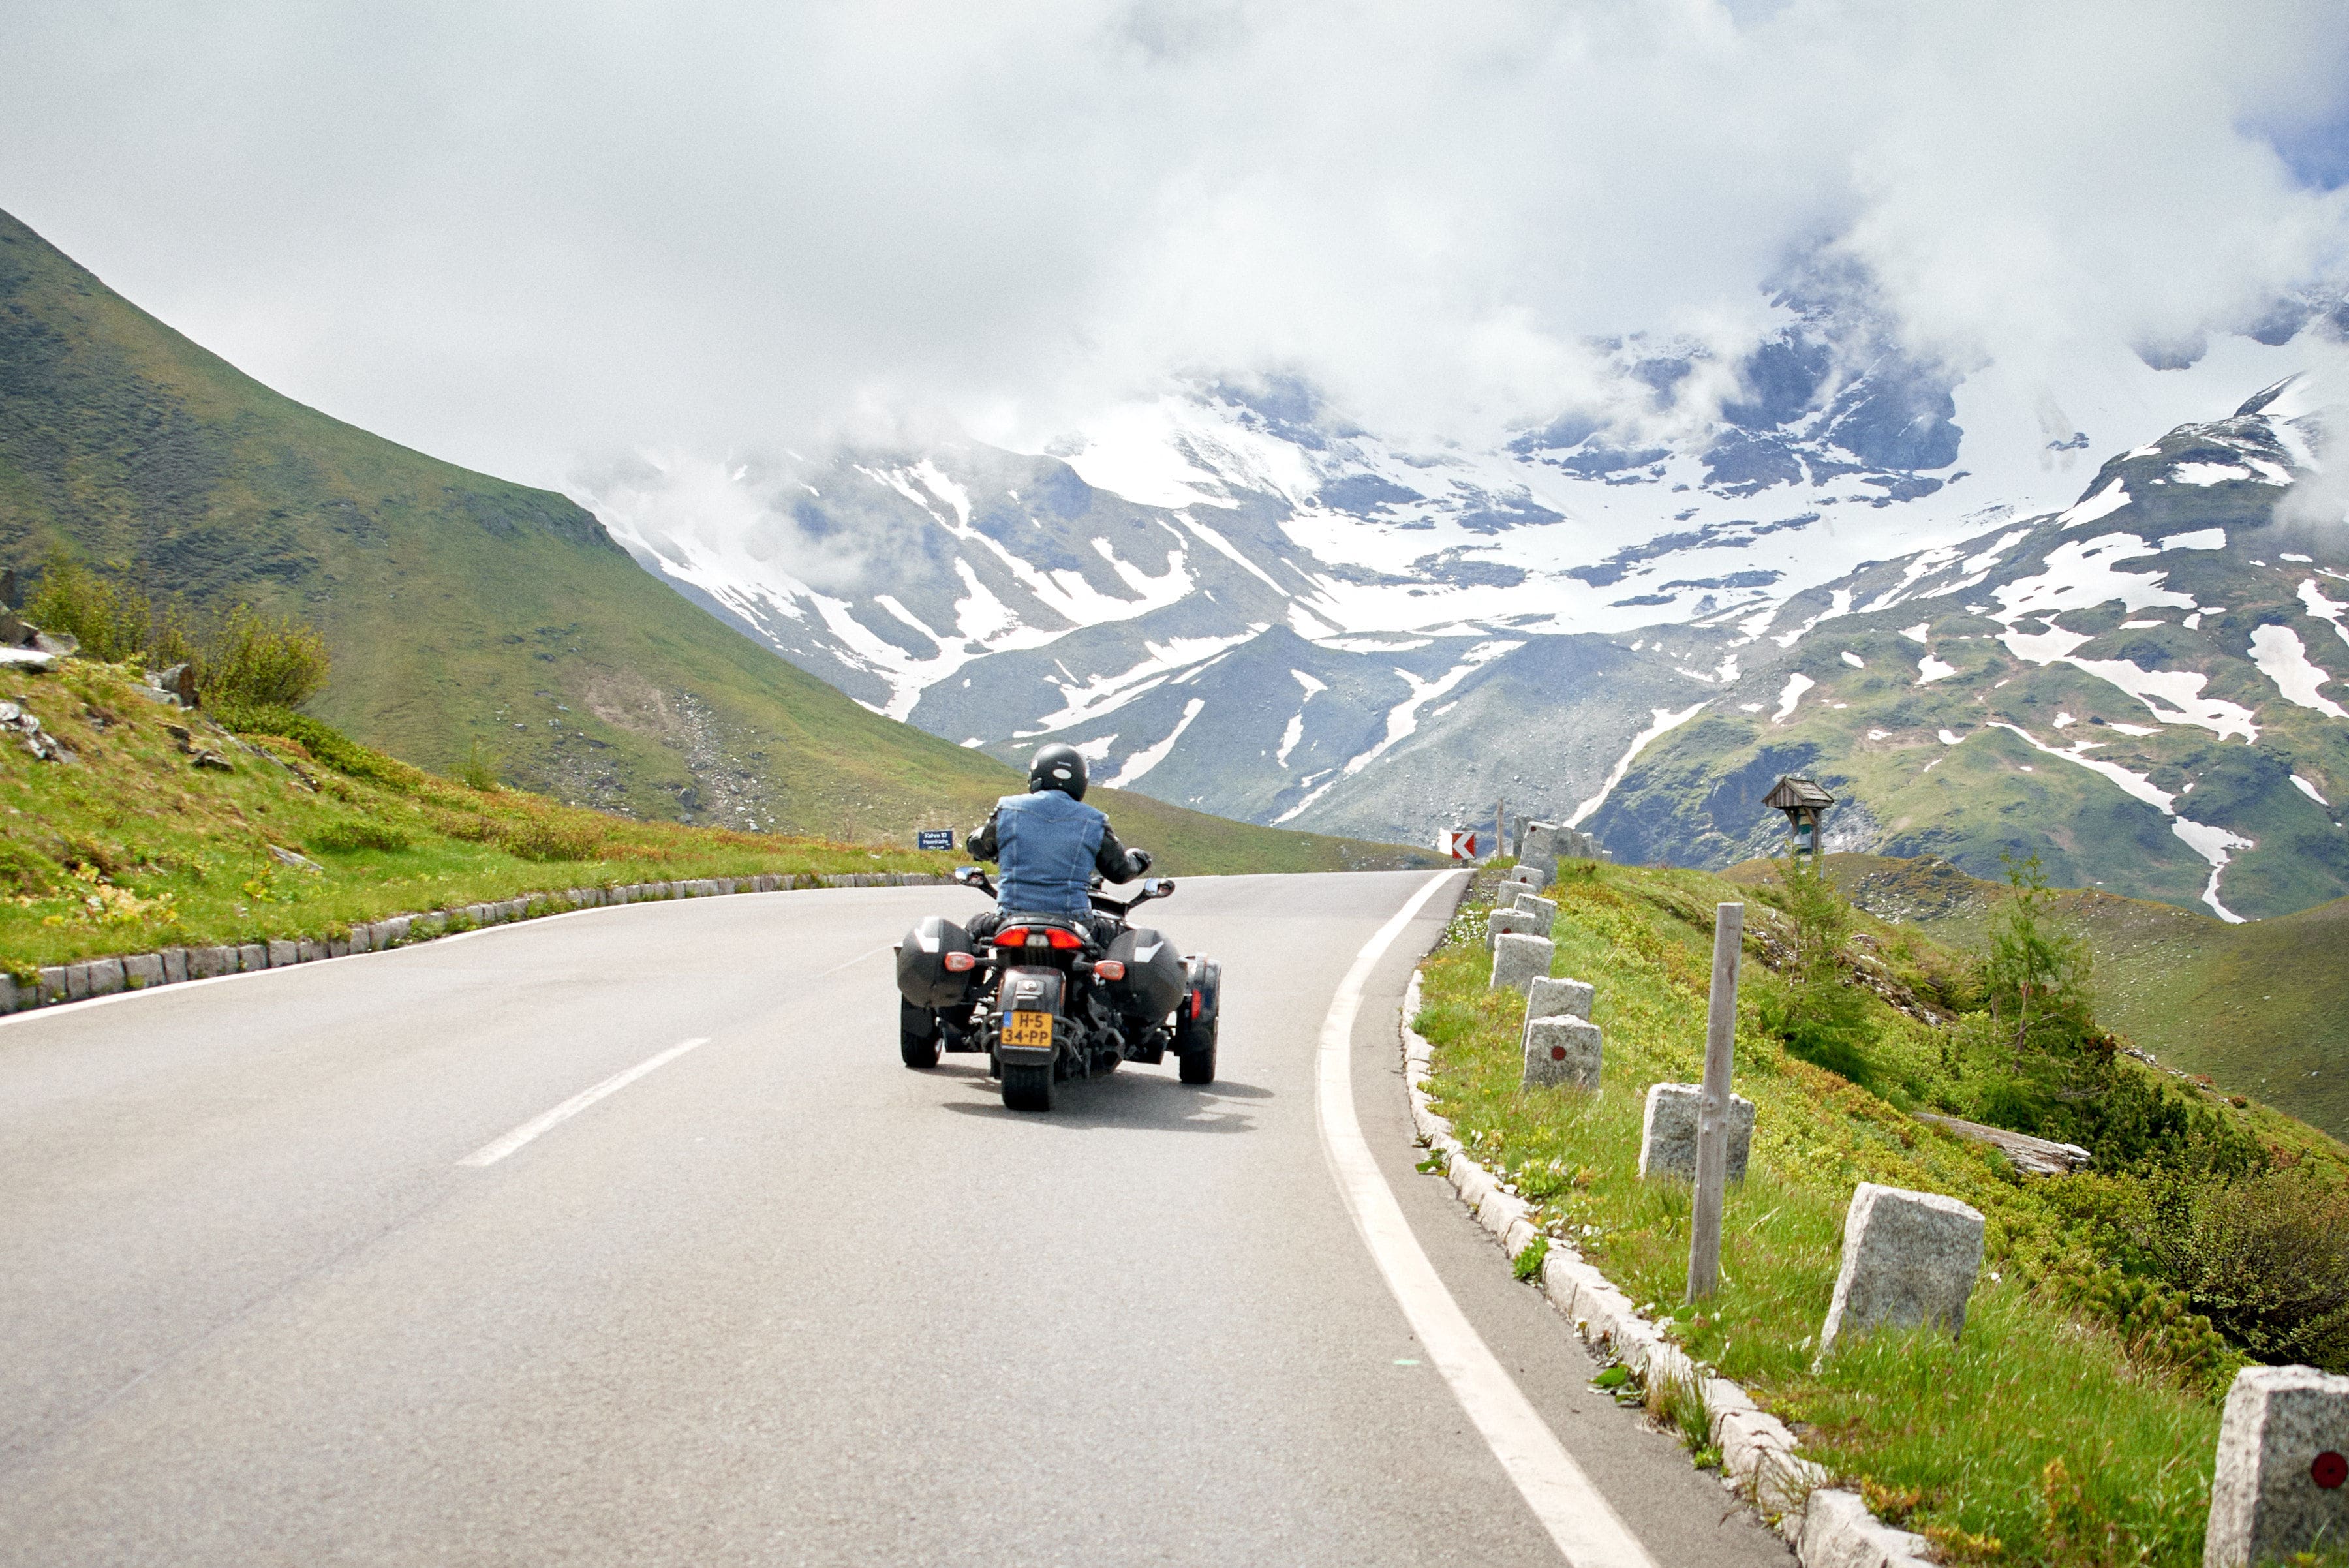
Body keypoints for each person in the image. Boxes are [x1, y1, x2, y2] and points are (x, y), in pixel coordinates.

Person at [965, 742, 1150, 945]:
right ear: (1081, 781)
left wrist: (978, 839)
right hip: (1076, 921)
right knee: (1124, 940)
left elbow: (980, 846)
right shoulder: (1094, 820)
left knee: (973, 934)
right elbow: (1120, 872)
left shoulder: (1008, 809)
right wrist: (1139, 860)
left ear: (1036, 774)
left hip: (1010, 917)